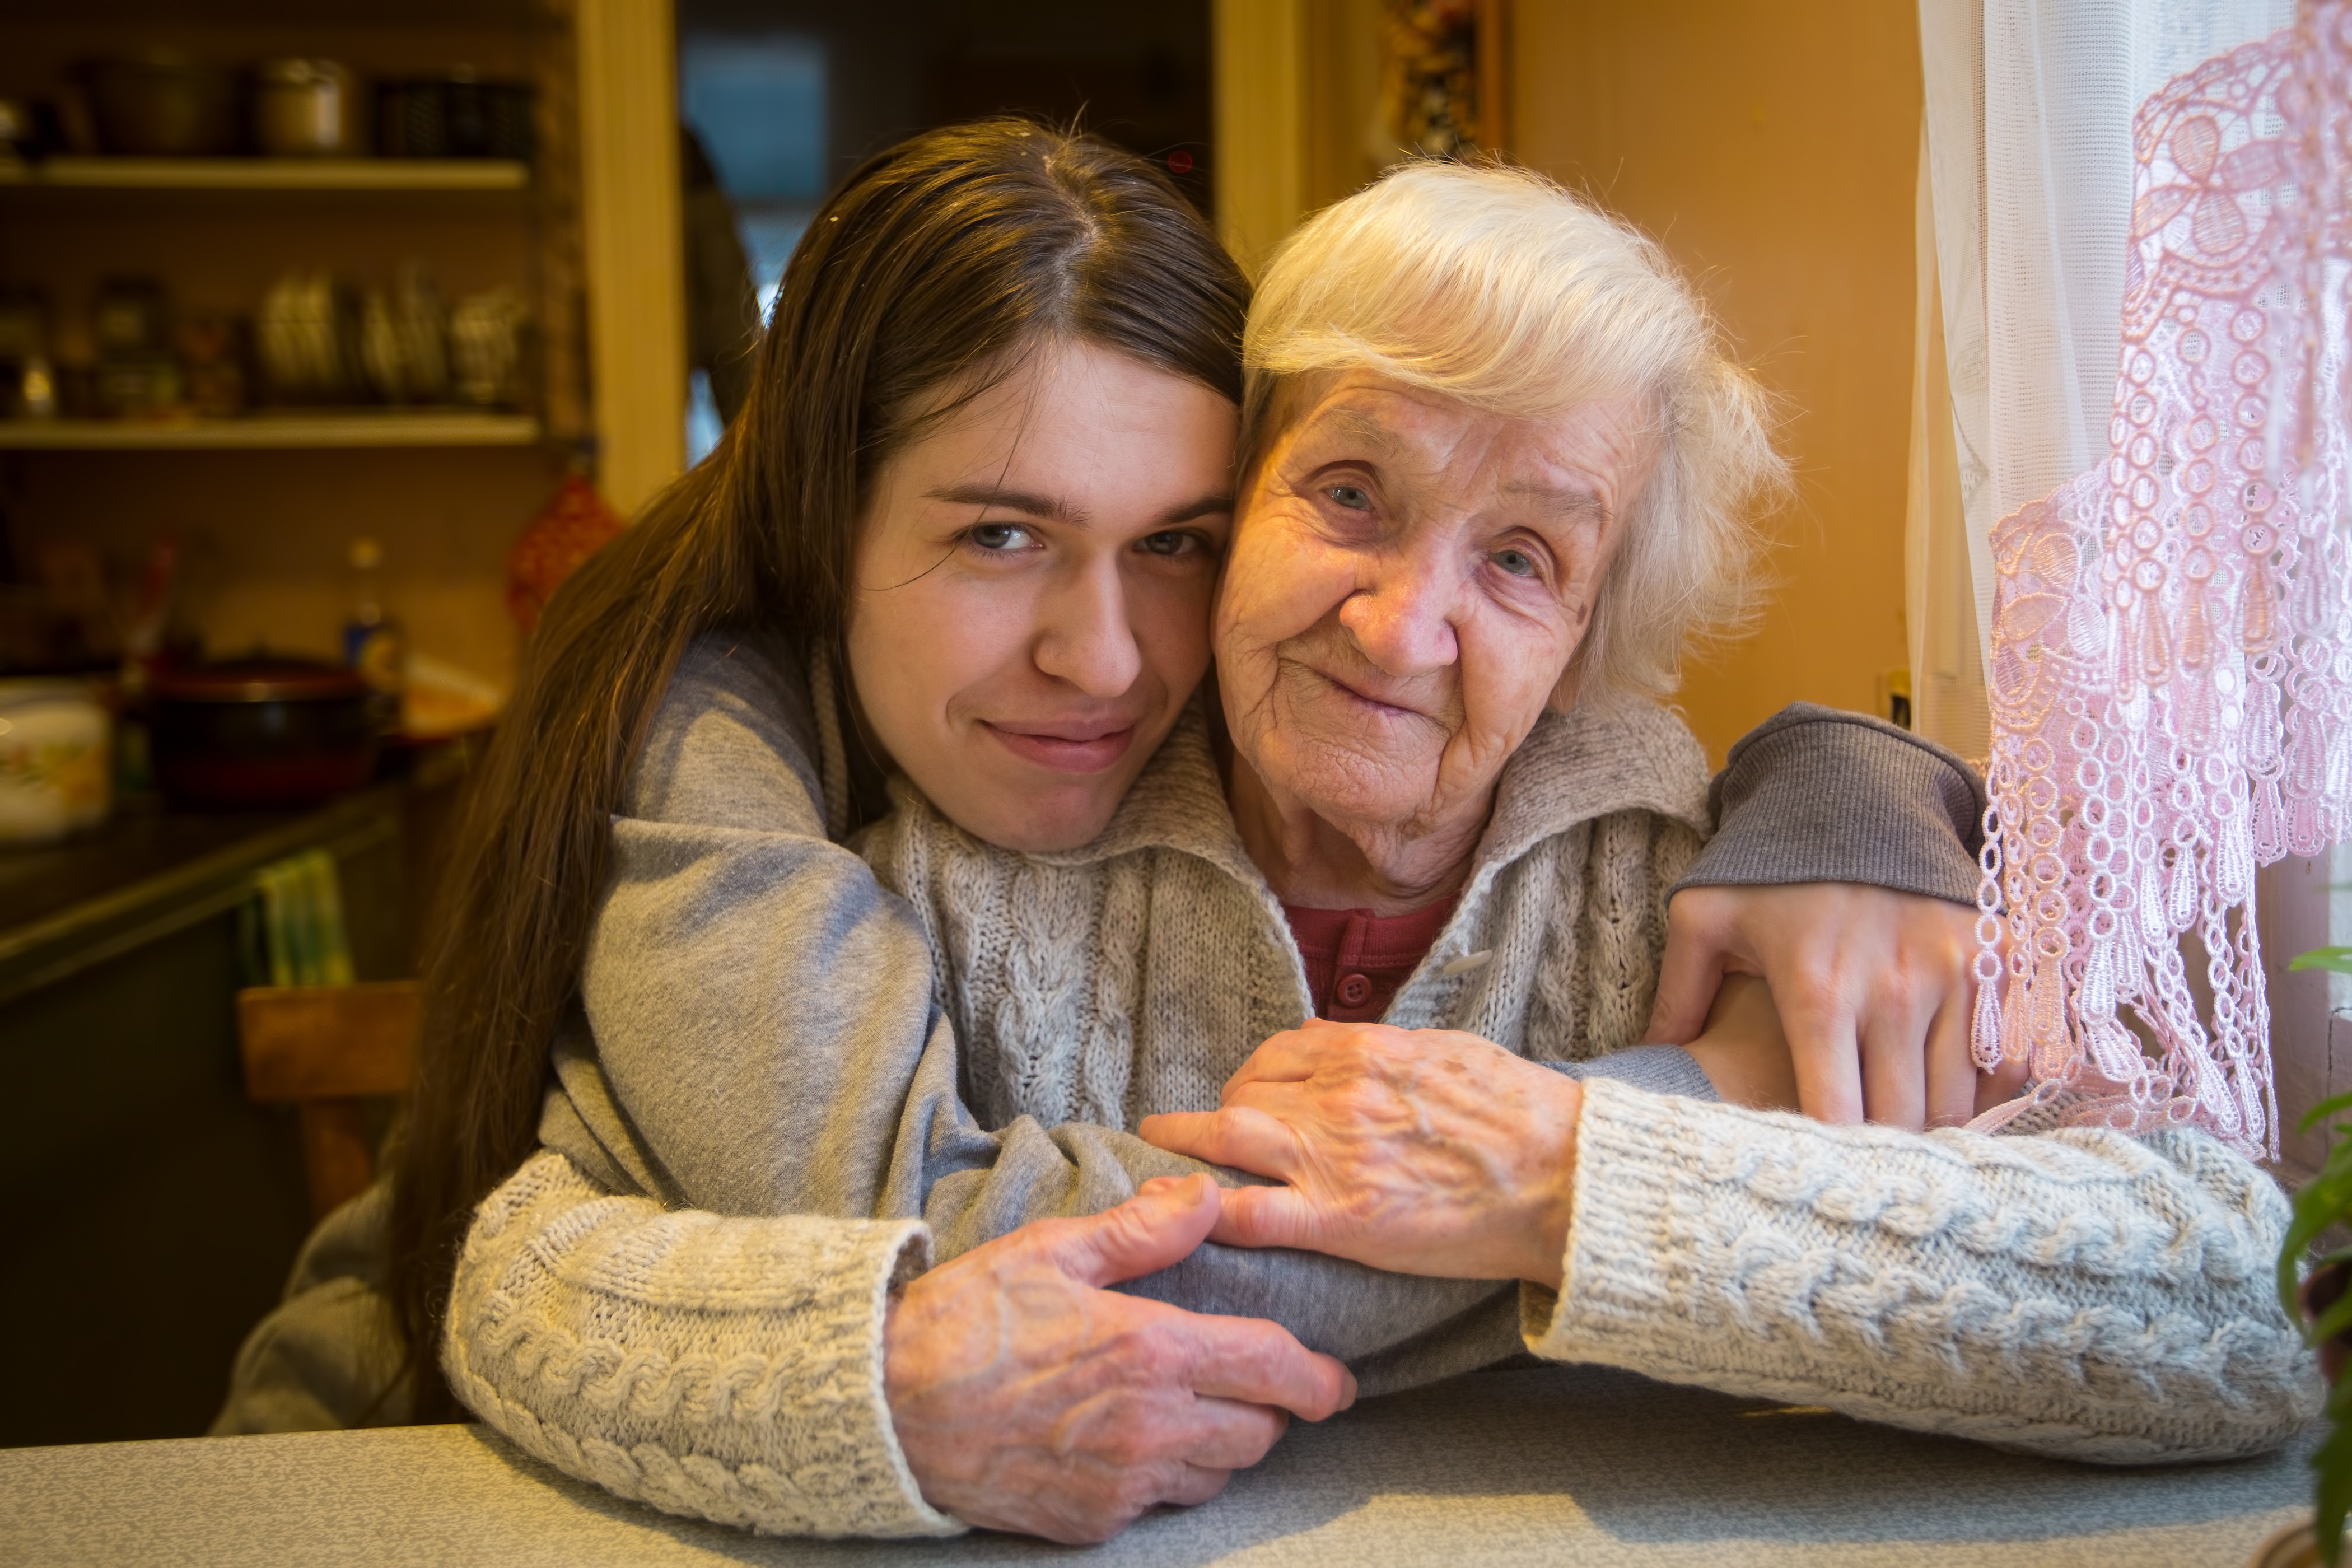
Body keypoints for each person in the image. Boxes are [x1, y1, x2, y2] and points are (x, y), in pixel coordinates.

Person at [221, 125, 2047, 1539]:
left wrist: (1860, 782)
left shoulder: (1631, 852)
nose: (1102, 657)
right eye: (999, 533)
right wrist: (1622, 1164)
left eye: (1169, 540)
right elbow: (584, 1262)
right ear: (818, 528)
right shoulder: (751, 772)